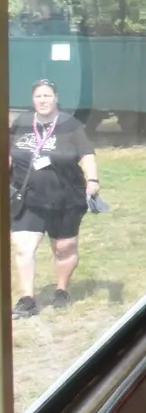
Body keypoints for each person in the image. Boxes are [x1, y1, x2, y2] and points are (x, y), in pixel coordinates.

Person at [9, 80, 98, 318]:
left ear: (56, 97)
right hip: (27, 197)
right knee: (23, 247)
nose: (43, 100)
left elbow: (87, 154)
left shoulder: (71, 125)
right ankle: (27, 299)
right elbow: (8, 153)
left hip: (65, 197)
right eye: (38, 96)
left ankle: (61, 290)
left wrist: (93, 181)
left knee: (64, 247)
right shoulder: (22, 123)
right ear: (33, 99)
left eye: (47, 96)